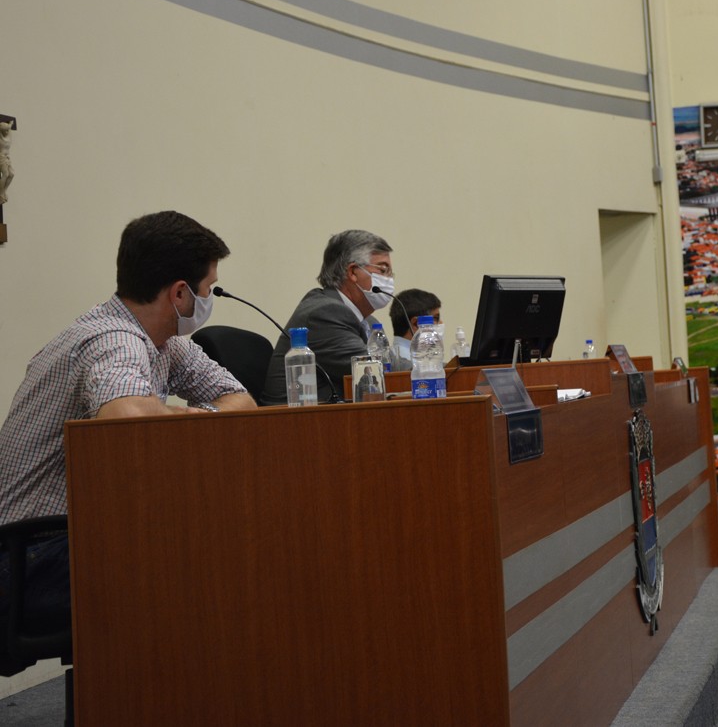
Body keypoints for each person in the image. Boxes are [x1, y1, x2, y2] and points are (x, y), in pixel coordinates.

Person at [0, 210, 254, 618]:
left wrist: (194, 411)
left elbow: (240, 401)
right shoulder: (113, 339)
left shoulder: (165, 342)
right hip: (28, 551)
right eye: (209, 289)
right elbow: (129, 421)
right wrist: (200, 414)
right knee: (208, 565)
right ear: (179, 294)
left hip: (59, 541)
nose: (209, 299)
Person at [261, 230, 397, 404]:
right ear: (353, 272)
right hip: (294, 417)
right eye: (383, 270)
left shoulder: (369, 322)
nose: (389, 279)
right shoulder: (324, 314)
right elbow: (374, 372)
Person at [390, 288, 442, 362]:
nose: (440, 323)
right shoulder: (411, 363)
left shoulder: (393, 355)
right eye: (436, 318)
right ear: (416, 324)